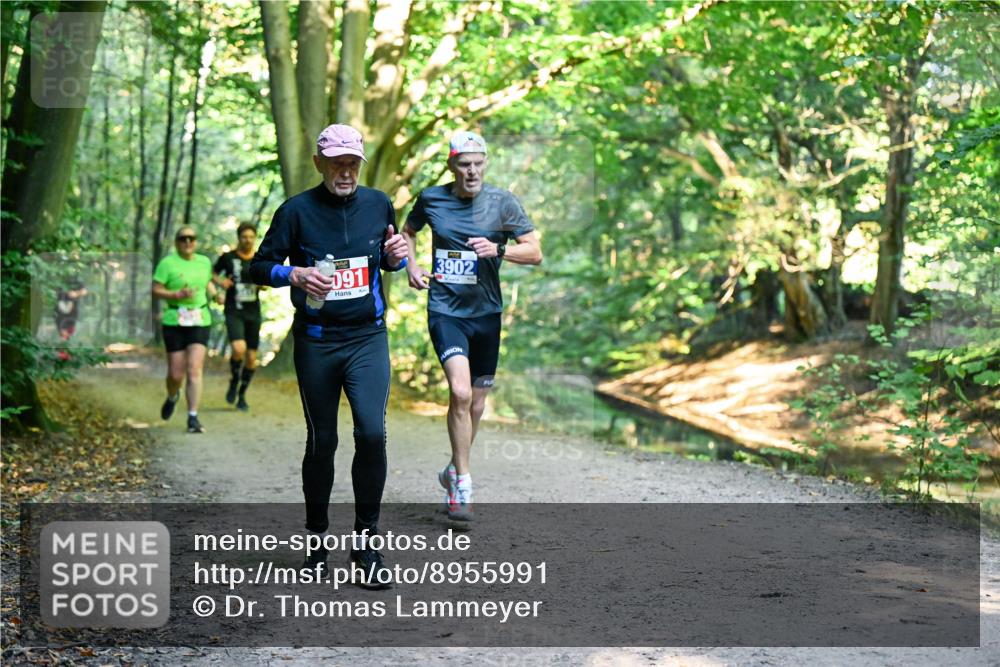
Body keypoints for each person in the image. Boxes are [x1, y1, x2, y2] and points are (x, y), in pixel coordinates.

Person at [249, 123, 408, 588]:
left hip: (367, 338)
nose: (345, 172)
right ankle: (317, 540)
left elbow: (388, 260)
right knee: (323, 441)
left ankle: (366, 545)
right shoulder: (295, 211)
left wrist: (397, 256)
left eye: (352, 163)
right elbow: (257, 267)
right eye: (337, 163)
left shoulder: (378, 204)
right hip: (317, 341)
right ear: (319, 163)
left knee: (372, 433)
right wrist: (293, 275)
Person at [403, 131, 542, 521]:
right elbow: (408, 232)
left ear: (486, 163)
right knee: (460, 392)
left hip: (486, 315)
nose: (472, 171)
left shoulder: (503, 202)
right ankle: (463, 483)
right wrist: (411, 266)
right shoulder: (431, 199)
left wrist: (499, 249)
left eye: (479, 163)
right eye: (464, 164)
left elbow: (535, 252)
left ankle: (453, 468)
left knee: (477, 403)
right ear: (452, 165)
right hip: (446, 311)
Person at [152, 227, 218, 434]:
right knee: (175, 374)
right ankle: (173, 396)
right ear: (177, 242)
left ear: (196, 241)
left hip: (200, 318)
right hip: (175, 319)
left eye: (192, 238)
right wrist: (175, 295)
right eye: (183, 238)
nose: (188, 242)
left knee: (194, 368)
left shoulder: (204, 262)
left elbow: (207, 282)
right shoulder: (167, 263)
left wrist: (216, 294)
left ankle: (192, 416)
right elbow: (155, 289)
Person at [213, 223, 264, 410]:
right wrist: (221, 282)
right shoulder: (228, 257)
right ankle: (234, 379)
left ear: (255, 238)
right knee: (238, 348)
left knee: (251, 358)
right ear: (239, 238)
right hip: (234, 310)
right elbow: (213, 273)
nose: (247, 240)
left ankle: (242, 394)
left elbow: (268, 281)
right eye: (244, 237)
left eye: (251, 237)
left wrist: (264, 284)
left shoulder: (260, 258)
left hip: (253, 312)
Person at [54, 276, 87, 360]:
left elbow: (84, 291)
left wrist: (76, 293)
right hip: (60, 310)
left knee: (69, 331)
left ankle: (64, 352)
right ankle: (63, 354)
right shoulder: (58, 277)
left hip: (72, 311)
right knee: (63, 332)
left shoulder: (76, 279)